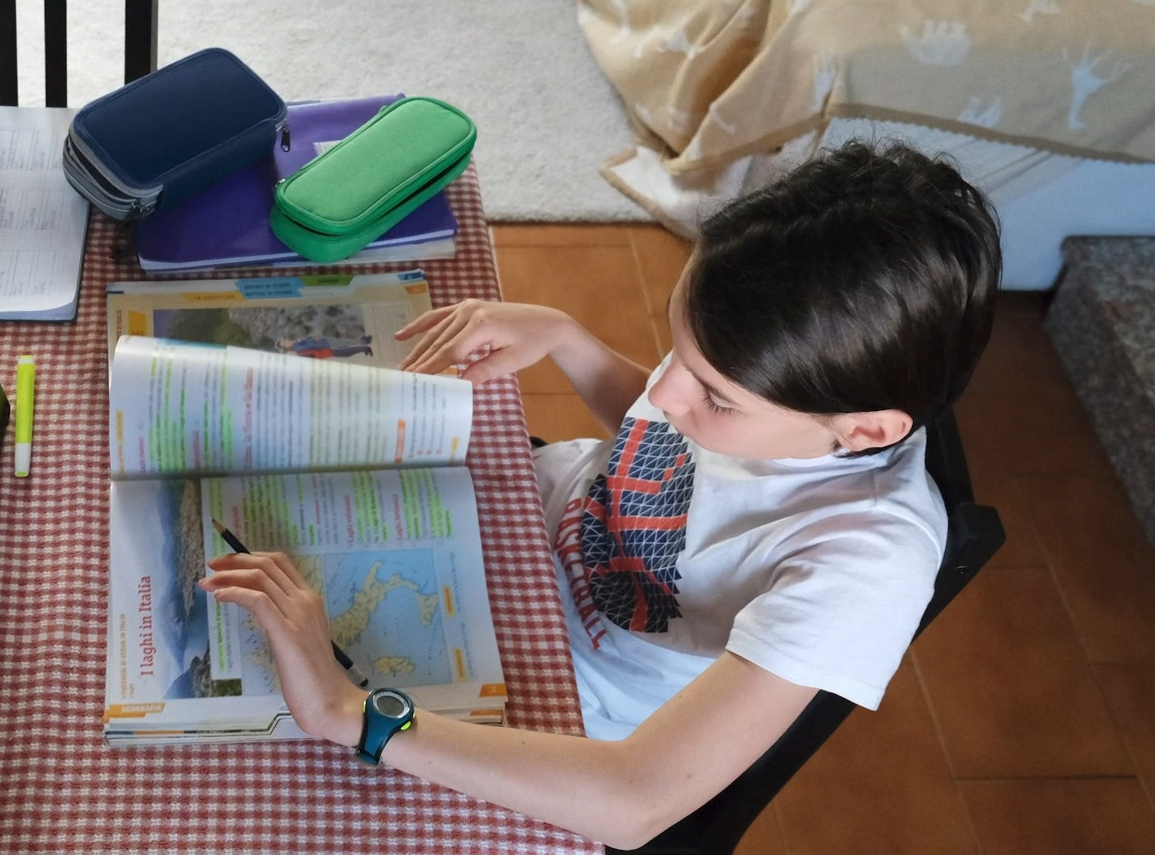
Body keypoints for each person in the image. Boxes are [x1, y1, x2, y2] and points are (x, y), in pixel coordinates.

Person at [200, 143, 999, 849]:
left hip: (553, 707)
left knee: (237, 778)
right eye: (676, 348)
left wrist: (350, 714)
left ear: (864, 432)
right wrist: (568, 339)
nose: (668, 393)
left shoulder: (867, 561)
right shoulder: (769, 398)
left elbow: (635, 800)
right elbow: (662, 449)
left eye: (715, 396)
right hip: (507, 532)